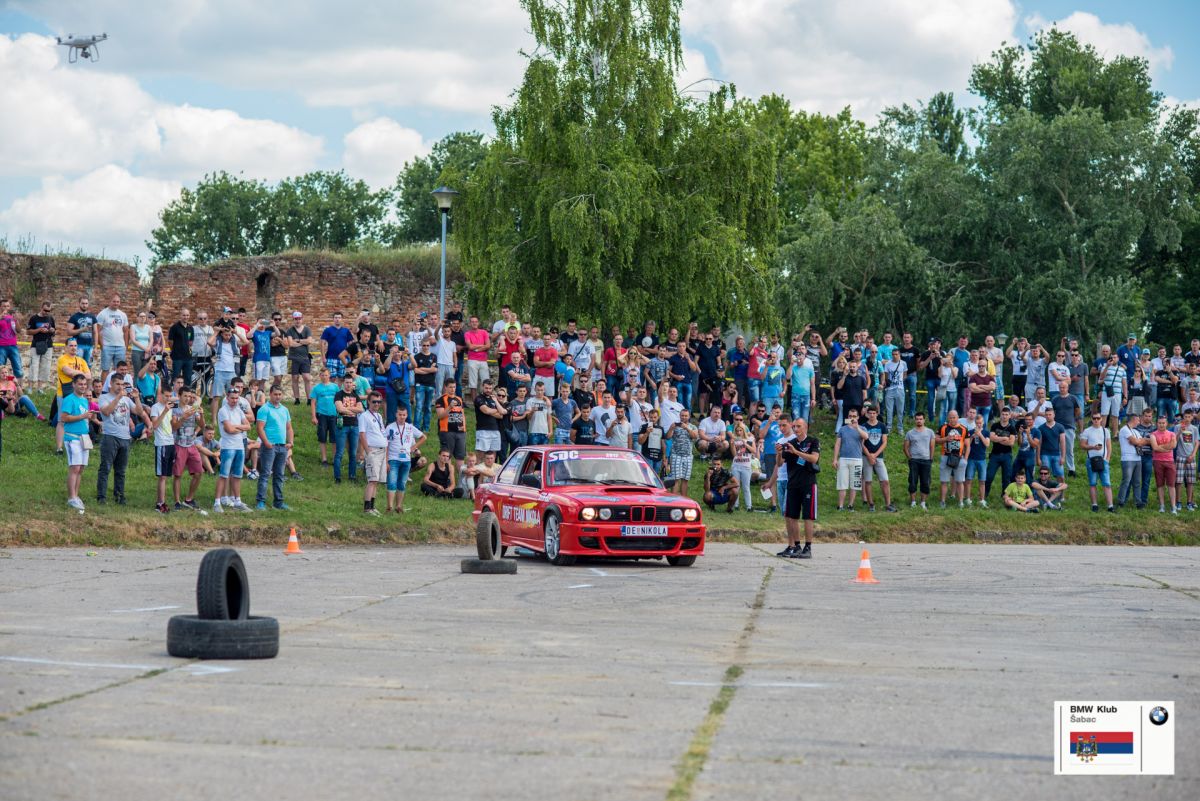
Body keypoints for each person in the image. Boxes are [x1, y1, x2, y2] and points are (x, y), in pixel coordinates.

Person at [95, 375, 142, 506]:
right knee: (105, 468)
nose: (120, 387)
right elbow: (106, 412)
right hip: (110, 437)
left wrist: (137, 398)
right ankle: (101, 497)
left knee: (121, 470)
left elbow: (139, 411)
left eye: (122, 384)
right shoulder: (104, 397)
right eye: (117, 384)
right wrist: (118, 397)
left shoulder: (127, 399)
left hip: (125, 438)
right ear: (111, 384)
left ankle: (119, 495)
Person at [778, 417, 819, 558]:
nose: (796, 429)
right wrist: (778, 452)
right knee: (791, 516)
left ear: (805, 427)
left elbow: (814, 459)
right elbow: (779, 463)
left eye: (799, 426)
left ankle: (808, 547)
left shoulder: (813, 441)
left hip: (808, 483)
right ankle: (796, 545)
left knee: (808, 516)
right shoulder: (790, 443)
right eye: (794, 426)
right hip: (793, 484)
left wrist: (796, 452)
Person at [254, 384, 293, 511]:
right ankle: (261, 501)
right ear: (270, 394)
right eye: (275, 394)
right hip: (269, 446)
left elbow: (289, 427)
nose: (277, 397)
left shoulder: (285, 409)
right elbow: (259, 428)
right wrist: (266, 442)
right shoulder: (264, 409)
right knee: (265, 474)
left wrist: (290, 441)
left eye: (280, 394)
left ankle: (278, 502)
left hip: (282, 447)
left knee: (279, 475)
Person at [213, 386, 252, 512]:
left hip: (239, 446)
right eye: (232, 398)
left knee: (237, 475)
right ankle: (217, 502)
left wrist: (235, 427)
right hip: (228, 446)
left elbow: (249, 426)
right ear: (227, 398)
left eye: (236, 398)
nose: (235, 401)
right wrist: (240, 428)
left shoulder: (239, 410)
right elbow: (228, 430)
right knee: (224, 475)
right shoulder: (223, 411)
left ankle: (237, 501)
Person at [60, 373, 93, 514]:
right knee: (75, 467)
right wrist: (82, 416)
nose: (83, 387)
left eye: (85, 384)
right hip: (72, 437)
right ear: (73, 384)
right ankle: (71, 497)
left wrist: (90, 418)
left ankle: (76, 495)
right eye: (80, 384)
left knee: (81, 469)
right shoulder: (69, 399)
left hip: (84, 437)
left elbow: (84, 417)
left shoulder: (85, 400)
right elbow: (64, 418)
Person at [384, 405, 426, 513]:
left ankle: (398, 506)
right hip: (393, 459)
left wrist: (413, 447)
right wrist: (386, 461)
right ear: (396, 415)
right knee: (392, 482)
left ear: (407, 415)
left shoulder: (410, 427)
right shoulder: (390, 427)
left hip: (406, 460)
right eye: (400, 415)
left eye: (404, 415)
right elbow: (386, 445)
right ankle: (389, 507)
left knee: (402, 483)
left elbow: (423, 437)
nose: (402, 417)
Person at [171, 387, 205, 510]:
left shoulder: (193, 409)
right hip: (179, 445)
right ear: (179, 396)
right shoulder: (175, 410)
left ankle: (189, 499)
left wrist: (201, 415)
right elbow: (174, 427)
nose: (187, 398)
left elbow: (202, 426)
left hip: (191, 445)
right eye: (185, 396)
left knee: (199, 472)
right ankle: (177, 502)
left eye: (189, 396)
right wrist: (183, 417)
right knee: (178, 475)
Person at [358, 391, 388, 516]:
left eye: (379, 402)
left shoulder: (379, 416)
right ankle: (366, 508)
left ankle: (372, 506)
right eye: (374, 401)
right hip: (373, 451)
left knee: (377, 481)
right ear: (368, 402)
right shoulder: (364, 416)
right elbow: (362, 434)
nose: (377, 404)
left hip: (382, 450)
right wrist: (367, 451)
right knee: (372, 480)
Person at [148, 390, 179, 513]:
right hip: (161, 444)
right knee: (162, 476)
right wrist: (165, 410)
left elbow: (181, 398)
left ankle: (162, 501)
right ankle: (160, 503)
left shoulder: (171, 405)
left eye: (170, 396)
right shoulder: (155, 408)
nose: (168, 398)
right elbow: (154, 425)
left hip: (170, 442)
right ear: (160, 395)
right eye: (166, 396)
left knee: (166, 475)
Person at [1079, 411, 1114, 513]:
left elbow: (1109, 446)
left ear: (1101, 419)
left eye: (1098, 418)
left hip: (1103, 460)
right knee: (1092, 483)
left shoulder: (1105, 431)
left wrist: (1107, 459)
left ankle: (1110, 506)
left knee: (1107, 483)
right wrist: (1093, 447)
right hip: (1091, 460)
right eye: (1094, 418)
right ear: (1091, 419)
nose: (1096, 420)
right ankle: (1094, 504)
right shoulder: (1087, 431)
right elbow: (1082, 445)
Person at [833, 408, 866, 511]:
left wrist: (857, 427)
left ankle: (851, 505)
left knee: (854, 484)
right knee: (842, 484)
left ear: (858, 417)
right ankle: (840, 506)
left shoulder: (862, 428)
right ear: (848, 417)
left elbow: (866, 437)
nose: (852, 418)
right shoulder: (843, 429)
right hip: (843, 459)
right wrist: (835, 459)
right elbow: (837, 444)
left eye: (854, 416)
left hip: (857, 459)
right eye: (850, 416)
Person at [333, 375, 363, 484]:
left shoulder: (356, 395)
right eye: (346, 382)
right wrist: (353, 410)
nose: (348, 384)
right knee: (339, 453)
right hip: (342, 426)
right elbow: (339, 409)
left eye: (350, 382)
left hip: (354, 426)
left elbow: (361, 409)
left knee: (353, 453)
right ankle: (337, 477)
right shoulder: (338, 395)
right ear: (343, 383)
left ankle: (352, 476)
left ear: (353, 383)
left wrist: (347, 409)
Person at [936, 409, 969, 507]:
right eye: (950, 417)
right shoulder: (943, 427)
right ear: (947, 418)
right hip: (946, 456)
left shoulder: (963, 429)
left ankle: (961, 502)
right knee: (944, 481)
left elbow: (967, 445)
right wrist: (945, 439)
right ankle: (942, 502)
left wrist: (965, 459)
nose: (952, 419)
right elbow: (935, 440)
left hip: (959, 457)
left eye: (954, 417)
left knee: (960, 481)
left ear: (958, 417)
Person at [904, 411, 935, 509]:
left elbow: (932, 446)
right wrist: (910, 458)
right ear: (915, 420)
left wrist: (931, 458)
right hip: (914, 461)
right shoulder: (910, 433)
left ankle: (923, 502)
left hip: (926, 460)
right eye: (917, 419)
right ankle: (913, 502)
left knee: (925, 482)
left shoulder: (930, 432)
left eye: (921, 419)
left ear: (924, 420)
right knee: (913, 481)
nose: (919, 421)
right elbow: (905, 447)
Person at [434, 379, 467, 471]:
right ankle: (446, 479)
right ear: (445, 387)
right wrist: (449, 407)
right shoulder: (440, 400)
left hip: (460, 432)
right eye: (450, 387)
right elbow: (440, 416)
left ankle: (461, 481)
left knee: (460, 457)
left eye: (454, 387)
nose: (453, 389)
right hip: (447, 431)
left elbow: (462, 415)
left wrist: (464, 429)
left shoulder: (459, 399)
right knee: (446, 457)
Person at [94, 294, 129, 381]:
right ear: (110, 301)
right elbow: (97, 331)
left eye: (118, 302)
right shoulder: (103, 314)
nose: (116, 303)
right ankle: (104, 391)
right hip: (107, 346)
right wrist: (102, 346)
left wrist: (126, 346)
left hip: (120, 347)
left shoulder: (123, 315)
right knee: (105, 369)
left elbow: (126, 331)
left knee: (120, 371)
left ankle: (119, 389)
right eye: (114, 301)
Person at [25, 300, 57, 392]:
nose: (46, 312)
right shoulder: (34, 318)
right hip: (36, 344)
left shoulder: (50, 318)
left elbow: (55, 330)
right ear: (41, 308)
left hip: (48, 345)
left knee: (45, 366)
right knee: (33, 365)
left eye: (48, 311)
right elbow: (28, 331)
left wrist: (52, 330)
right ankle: (30, 387)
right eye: (45, 310)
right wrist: (39, 329)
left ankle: (40, 388)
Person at [666, 408, 699, 495]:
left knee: (685, 479)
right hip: (676, 455)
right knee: (676, 479)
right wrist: (671, 429)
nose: (684, 417)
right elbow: (668, 437)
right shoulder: (675, 426)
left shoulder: (693, 426)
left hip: (688, 456)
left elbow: (695, 436)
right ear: (679, 416)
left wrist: (687, 428)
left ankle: (683, 500)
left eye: (686, 416)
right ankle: (673, 501)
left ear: (689, 416)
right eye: (682, 415)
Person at [1150, 414, 1178, 514]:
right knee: (1160, 485)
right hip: (1158, 461)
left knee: (1171, 485)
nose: (1161, 425)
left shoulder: (1172, 434)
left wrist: (1160, 447)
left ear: (1166, 423)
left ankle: (1173, 507)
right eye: (1159, 423)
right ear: (1157, 423)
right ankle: (1162, 506)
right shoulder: (1153, 434)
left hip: (1170, 461)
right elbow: (1155, 448)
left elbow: (1173, 445)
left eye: (1163, 423)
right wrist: (1167, 447)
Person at [1116, 415, 1145, 510]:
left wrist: (1137, 441)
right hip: (1128, 459)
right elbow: (1135, 441)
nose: (1139, 422)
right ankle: (1120, 501)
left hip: (1137, 459)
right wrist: (1137, 441)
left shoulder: (1135, 431)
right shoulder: (1124, 429)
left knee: (1137, 482)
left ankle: (1138, 502)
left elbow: (1141, 441)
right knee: (1126, 481)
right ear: (1134, 419)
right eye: (1138, 420)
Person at [473, 379, 506, 456]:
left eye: (490, 388)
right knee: (481, 455)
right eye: (486, 388)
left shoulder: (494, 399)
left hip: (495, 430)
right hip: (483, 430)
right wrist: (495, 410)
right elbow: (486, 411)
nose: (488, 390)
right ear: (482, 387)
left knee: (492, 456)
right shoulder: (479, 398)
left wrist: (490, 411)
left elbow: (501, 415)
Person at [1173, 410, 1198, 511]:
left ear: (1192, 417)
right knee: (1178, 481)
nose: (1187, 419)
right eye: (1185, 417)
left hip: (1191, 457)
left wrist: (1193, 455)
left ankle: (1189, 503)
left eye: (1189, 417)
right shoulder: (1177, 427)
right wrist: (1180, 431)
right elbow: (1174, 440)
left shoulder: (1194, 429)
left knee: (1190, 481)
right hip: (1180, 456)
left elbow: (1197, 443)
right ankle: (1178, 502)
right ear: (1183, 417)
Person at [320, 312, 353, 379]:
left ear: (342, 319)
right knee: (331, 379)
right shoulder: (328, 330)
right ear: (333, 319)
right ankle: (333, 390)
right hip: (331, 358)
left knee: (342, 379)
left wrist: (351, 358)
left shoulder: (346, 331)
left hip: (344, 359)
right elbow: (322, 343)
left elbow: (351, 345)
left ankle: (339, 390)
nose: (337, 319)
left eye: (339, 318)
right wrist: (323, 357)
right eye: (336, 318)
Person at [67, 297, 96, 367]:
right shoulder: (74, 317)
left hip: (90, 346)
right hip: (78, 345)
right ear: (79, 304)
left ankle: (88, 378)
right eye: (83, 303)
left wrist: (96, 347)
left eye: (86, 303)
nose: (84, 305)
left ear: (88, 304)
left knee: (89, 366)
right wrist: (81, 330)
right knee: (78, 366)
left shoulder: (92, 317)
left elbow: (95, 332)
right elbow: (69, 332)